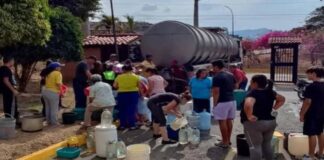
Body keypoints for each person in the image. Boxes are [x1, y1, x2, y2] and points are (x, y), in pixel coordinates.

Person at [241, 75, 285, 160]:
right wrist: (274, 108)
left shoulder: (253, 93)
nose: (250, 84)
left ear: (255, 83)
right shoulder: (270, 92)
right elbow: (282, 99)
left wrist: (249, 116)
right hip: (270, 123)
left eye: (251, 82)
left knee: (254, 146)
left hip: (255, 124)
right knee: (266, 144)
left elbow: (248, 104)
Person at [300, 67, 324, 159]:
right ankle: (321, 154)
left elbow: (307, 102)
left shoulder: (310, 87)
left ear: (313, 74)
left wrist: (302, 114)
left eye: (308, 73)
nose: (307, 75)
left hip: (312, 113)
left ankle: (311, 155)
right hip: (321, 112)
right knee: (320, 132)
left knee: (311, 133)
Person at [212, 60, 236, 148]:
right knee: (229, 120)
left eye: (213, 67)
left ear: (216, 67)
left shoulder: (217, 77)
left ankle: (224, 142)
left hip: (222, 101)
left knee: (222, 121)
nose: (213, 69)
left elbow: (216, 92)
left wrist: (215, 104)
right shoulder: (230, 74)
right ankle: (227, 140)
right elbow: (235, 86)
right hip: (232, 100)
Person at [114, 64, 141, 130]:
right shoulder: (136, 77)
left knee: (122, 109)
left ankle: (122, 125)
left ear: (123, 70)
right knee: (132, 109)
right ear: (131, 70)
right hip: (133, 93)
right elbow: (139, 86)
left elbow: (115, 86)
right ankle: (132, 125)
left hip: (122, 94)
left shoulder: (119, 77)